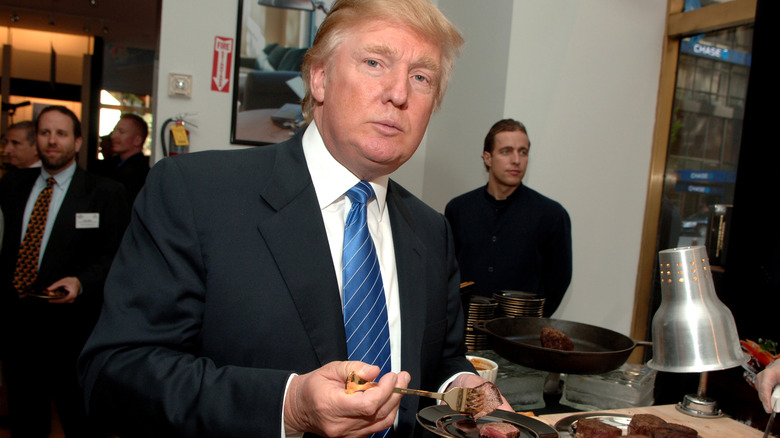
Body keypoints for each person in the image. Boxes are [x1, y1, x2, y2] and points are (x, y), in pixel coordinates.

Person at [78, 0, 510, 437]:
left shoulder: (431, 231)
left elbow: (440, 361)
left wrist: (465, 388)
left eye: (421, 77)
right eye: (375, 62)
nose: (399, 93)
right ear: (319, 78)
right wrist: (287, 406)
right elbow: (115, 375)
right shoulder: (195, 194)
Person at [0, 106, 130, 437]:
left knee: (79, 420)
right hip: (19, 327)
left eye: (61, 134)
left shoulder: (105, 193)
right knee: (25, 417)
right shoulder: (12, 185)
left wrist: (81, 282)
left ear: (77, 142)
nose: (52, 141)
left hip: (72, 332)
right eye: (45, 133)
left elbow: (116, 255)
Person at [445, 119, 572, 317]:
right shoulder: (459, 209)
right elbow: (447, 273)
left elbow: (558, 281)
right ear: (488, 158)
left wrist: (529, 324)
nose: (516, 160)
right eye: (506, 151)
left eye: (523, 152)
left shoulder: (551, 215)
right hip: (465, 329)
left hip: (519, 336)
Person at [100, 113, 150, 204]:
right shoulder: (114, 164)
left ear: (137, 140)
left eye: (121, 132)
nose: (113, 136)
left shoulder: (140, 173)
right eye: (114, 131)